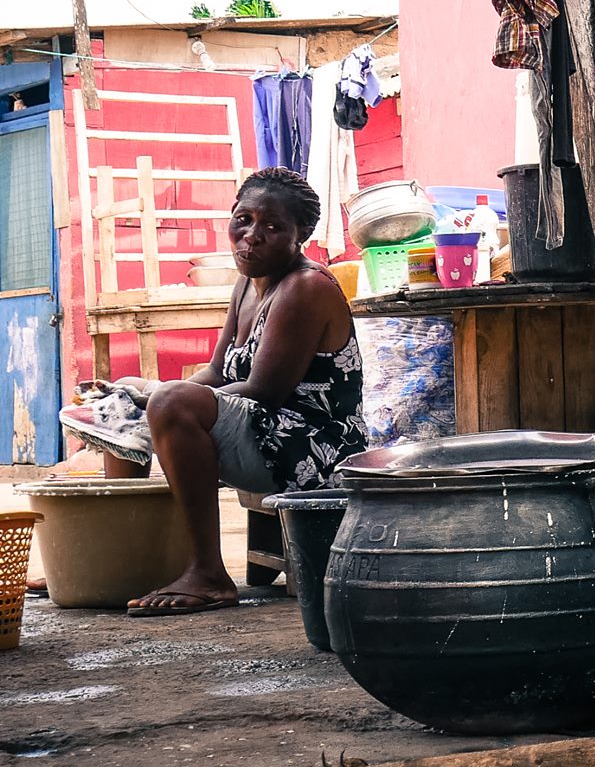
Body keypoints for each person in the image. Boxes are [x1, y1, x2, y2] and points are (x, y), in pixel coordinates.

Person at [61, 168, 366, 616]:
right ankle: (118, 561)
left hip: (315, 448)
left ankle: (208, 573)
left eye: (273, 227)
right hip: (266, 435)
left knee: (167, 401)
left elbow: (264, 391)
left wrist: (163, 397)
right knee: (123, 397)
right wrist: (144, 393)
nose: (252, 236)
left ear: (300, 235)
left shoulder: (305, 287)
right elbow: (219, 371)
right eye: (244, 220)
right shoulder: (247, 281)